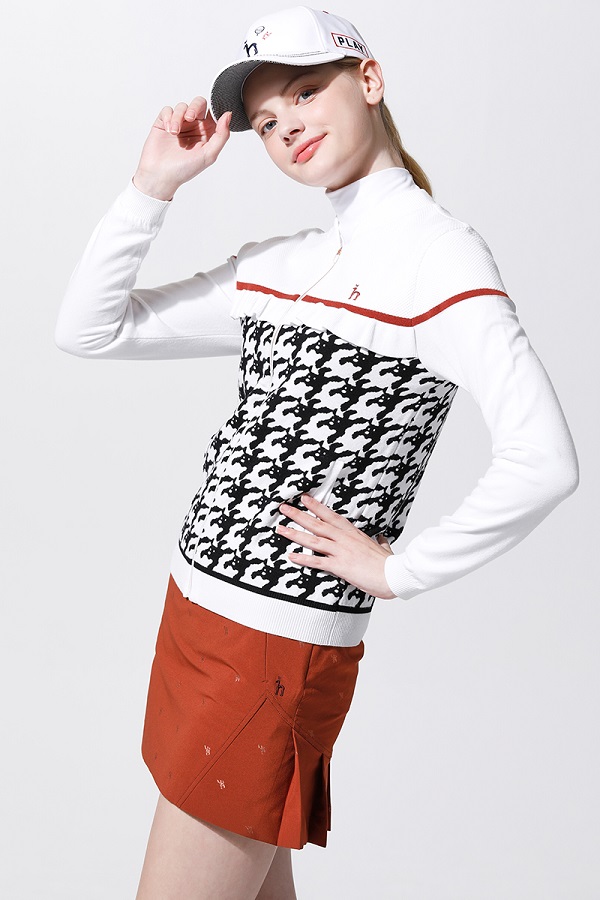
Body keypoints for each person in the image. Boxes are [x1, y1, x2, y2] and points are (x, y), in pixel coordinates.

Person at [54, 6, 579, 899]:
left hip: (274, 647)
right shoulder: (282, 265)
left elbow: (544, 460)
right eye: (265, 121)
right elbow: (90, 329)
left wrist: (399, 570)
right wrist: (152, 187)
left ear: (369, 80)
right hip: (195, 612)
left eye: (304, 92)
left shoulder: (440, 260)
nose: (286, 125)